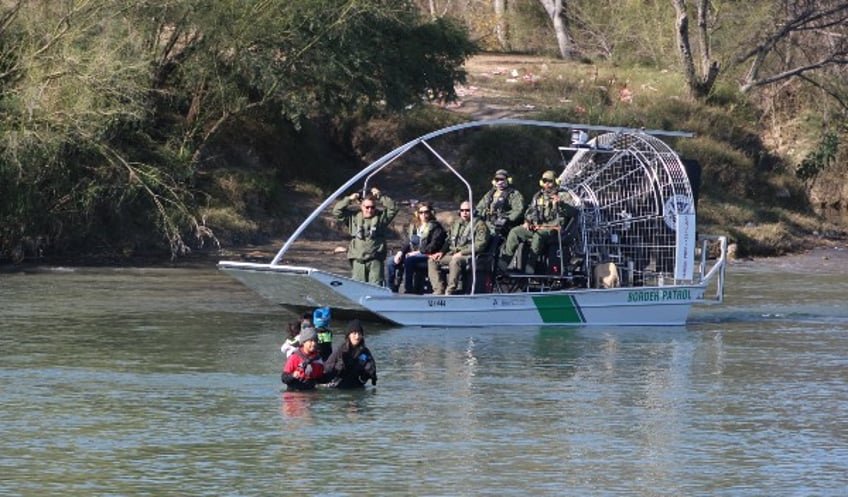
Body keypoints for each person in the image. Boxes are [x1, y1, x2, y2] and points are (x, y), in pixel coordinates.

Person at [500, 170, 578, 274]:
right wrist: (528, 221)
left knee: (538, 236)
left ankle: (531, 265)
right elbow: (530, 211)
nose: (547, 184)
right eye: (544, 181)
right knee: (515, 232)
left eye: (550, 181)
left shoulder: (563, 196)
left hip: (554, 229)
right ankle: (505, 261)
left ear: (555, 181)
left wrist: (561, 204)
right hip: (538, 227)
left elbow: (574, 212)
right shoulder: (538, 196)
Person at [333, 187, 399, 285]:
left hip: (375, 260)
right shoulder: (353, 217)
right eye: (366, 207)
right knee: (358, 286)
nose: (369, 210)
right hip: (358, 260)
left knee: (376, 287)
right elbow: (337, 212)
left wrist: (380, 197)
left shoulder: (381, 218)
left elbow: (394, 208)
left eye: (372, 207)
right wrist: (349, 199)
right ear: (361, 206)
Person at [428, 201, 490, 295]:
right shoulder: (456, 224)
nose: (464, 213)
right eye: (462, 210)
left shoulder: (480, 225)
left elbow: (480, 244)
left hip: (469, 255)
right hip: (453, 253)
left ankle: (450, 291)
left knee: (455, 261)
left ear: (473, 211)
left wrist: (462, 253)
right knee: (432, 260)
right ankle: (438, 290)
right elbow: (449, 240)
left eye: (467, 210)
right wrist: (441, 252)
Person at [387, 201, 446, 294]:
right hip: (412, 254)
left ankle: (408, 290)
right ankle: (391, 288)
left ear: (430, 212)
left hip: (427, 255)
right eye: (421, 212)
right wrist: (401, 252)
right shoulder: (415, 226)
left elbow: (433, 246)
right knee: (391, 261)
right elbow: (407, 241)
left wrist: (418, 252)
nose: (423, 215)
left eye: (426, 212)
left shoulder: (436, 227)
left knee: (409, 260)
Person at [325, 319, 377, 389]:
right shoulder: (340, 350)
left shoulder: (365, 352)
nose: (357, 336)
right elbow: (327, 366)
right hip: (338, 386)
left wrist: (370, 373)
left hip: (357, 386)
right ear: (349, 335)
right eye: (354, 333)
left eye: (359, 334)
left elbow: (373, 370)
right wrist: (337, 369)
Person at [475, 168, 525, 237]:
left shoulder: (514, 194)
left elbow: (518, 210)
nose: (499, 182)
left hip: (502, 226)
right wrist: (475, 213)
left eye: (502, 179)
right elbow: (480, 207)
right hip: (487, 223)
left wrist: (507, 218)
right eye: (497, 180)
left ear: (508, 180)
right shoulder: (490, 193)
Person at [281, 327, 326, 391]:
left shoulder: (318, 359)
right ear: (304, 342)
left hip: (311, 393)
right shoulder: (294, 357)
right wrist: (292, 375)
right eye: (310, 341)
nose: (314, 343)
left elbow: (320, 378)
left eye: (315, 341)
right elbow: (284, 378)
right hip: (294, 393)